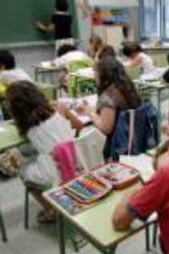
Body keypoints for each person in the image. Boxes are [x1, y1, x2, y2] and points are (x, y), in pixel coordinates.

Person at [5, 81, 73, 223]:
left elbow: (25, 143)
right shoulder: (55, 113)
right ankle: (53, 204)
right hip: (75, 163)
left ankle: (51, 210)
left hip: (55, 172)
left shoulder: (28, 125)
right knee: (31, 156)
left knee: (22, 170)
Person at [76, 57, 141, 159]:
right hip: (132, 135)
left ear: (104, 75)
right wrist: (92, 110)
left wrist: (90, 113)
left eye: (95, 73)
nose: (94, 76)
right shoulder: (126, 88)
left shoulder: (108, 96)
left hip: (114, 143)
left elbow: (106, 128)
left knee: (82, 133)